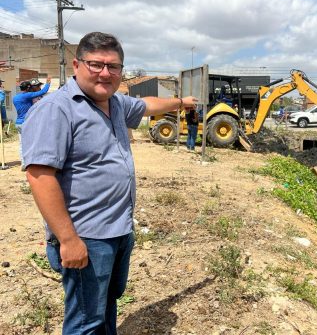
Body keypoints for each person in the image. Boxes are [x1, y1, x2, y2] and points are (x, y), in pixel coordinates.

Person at [22, 32, 197, 334]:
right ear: (77, 65)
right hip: (86, 237)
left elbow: (148, 105)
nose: (105, 73)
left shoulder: (116, 104)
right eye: (96, 64)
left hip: (119, 230)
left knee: (106, 306)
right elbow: (40, 176)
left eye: (114, 66)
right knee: (85, 322)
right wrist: (68, 240)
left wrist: (181, 102)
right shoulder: (57, 109)